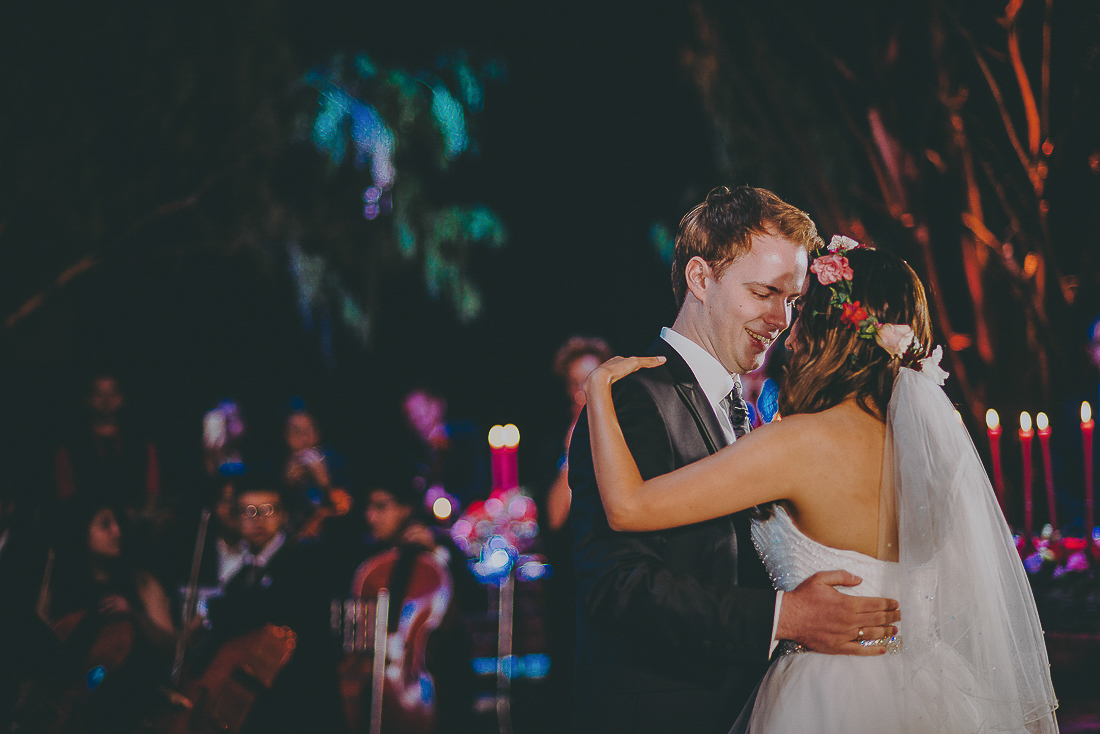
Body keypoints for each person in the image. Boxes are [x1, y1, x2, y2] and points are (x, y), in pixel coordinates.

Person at [584, 240, 1059, 732]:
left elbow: (628, 507)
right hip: (927, 686)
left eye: (803, 313)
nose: (788, 336)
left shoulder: (799, 443)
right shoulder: (934, 453)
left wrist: (598, 393)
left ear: (831, 331)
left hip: (828, 692)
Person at [567, 186, 901, 734]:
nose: (781, 318)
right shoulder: (634, 398)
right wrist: (783, 616)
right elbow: (616, 587)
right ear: (700, 279)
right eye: (764, 292)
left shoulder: (749, 407)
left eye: (792, 300)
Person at [202, 470, 345, 733]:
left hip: (303, 702)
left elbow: (264, 610)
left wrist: (210, 613)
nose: (257, 519)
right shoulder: (241, 577)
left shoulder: (304, 559)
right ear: (236, 519)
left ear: (283, 515)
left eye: (267, 510)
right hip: (266, 706)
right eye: (248, 511)